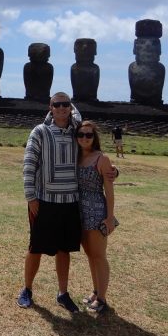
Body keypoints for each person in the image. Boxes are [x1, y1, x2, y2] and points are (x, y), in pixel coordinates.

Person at [17, 92, 83, 313]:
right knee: (35, 247)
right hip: (44, 200)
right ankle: (27, 289)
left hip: (70, 200)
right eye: (58, 104)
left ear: (71, 107)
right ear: (51, 107)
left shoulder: (77, 132)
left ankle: (63, 293)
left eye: (66, 104)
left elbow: (93, 153)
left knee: (64, 249)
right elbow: (29, 165)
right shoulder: (40, 131)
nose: (62, 108)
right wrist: (31, 197)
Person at [76, 120, 118, 314]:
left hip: (96, 210)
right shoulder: (75, 156)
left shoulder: (102, 158)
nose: (85, 138)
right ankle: (95, 291)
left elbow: (109, 192)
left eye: (89, 135)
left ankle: (102, 298)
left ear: (95, 138)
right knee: (90, 254)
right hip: (79, 211)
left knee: (99, 256)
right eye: (81, 134)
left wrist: (110, 218)